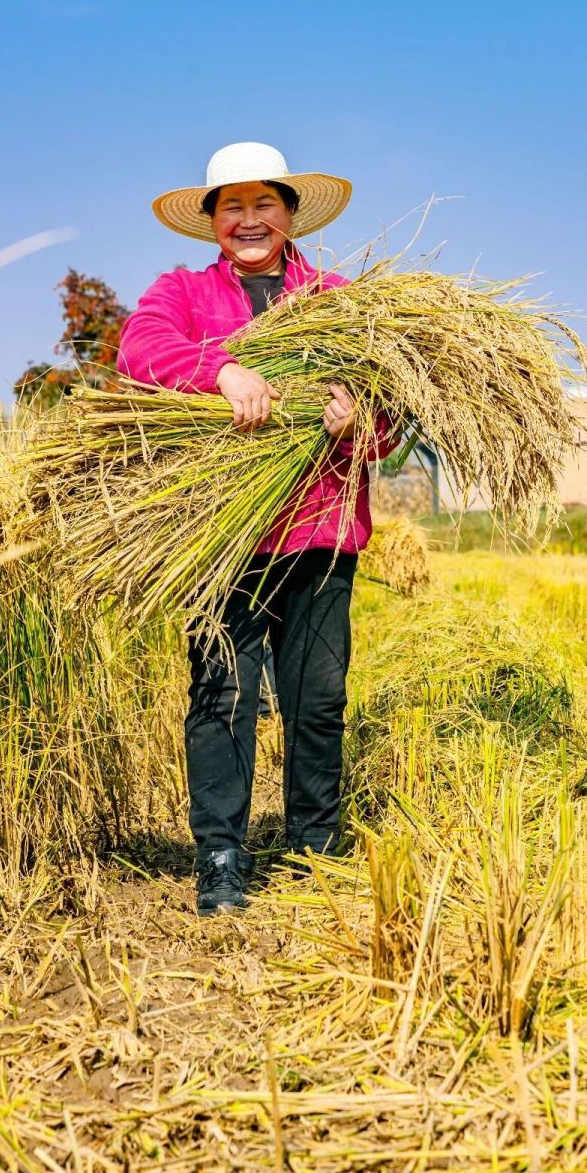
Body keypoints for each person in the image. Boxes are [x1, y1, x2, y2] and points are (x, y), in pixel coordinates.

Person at [117, 142, 395, 915]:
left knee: (317, 698)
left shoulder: (337, 300)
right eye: (231, 207)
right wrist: (223, 372)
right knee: (222, 696)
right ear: (210, 222)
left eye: (262, 205)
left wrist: (355, 421)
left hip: (320, 530)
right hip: (220, 541)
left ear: (289, 213)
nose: (248, 221)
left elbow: (390, 421)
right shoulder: (181, 292)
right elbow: (140, 349)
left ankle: (316, 851)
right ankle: (222, 856)